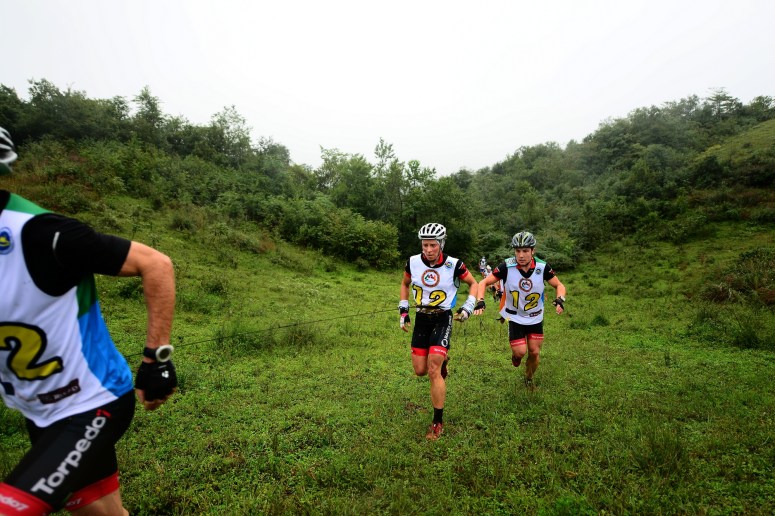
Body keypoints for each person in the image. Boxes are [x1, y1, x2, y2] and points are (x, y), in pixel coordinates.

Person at [0, 127, 177, 516]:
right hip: (37, 409)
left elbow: (156, 264)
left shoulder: (42, 234)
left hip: (92, 403)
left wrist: (157, 359)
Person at [399, 223, 482, 440]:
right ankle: (443, 358)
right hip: (422, 318)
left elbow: (473, 283)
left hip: (443, 317)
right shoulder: (413, 262)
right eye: (425, 245)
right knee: (420, 370)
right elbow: (405, 284)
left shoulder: (455, 265)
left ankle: (437, 421)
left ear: (441, 244)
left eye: (432, 245)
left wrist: (468, 307)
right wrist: (403, 309)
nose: (428, 250)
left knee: (433, 370)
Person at [474, 231, 566, 390]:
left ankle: (529, 378)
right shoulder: (506, 266)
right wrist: (480, 301)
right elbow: (483, 283)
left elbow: (559, 285)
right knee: (520, 352)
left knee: (535, 352)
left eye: (525, 251)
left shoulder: (543, 267)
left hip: (535, 317)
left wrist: (560, 299)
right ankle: (516, 356)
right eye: (518, 251)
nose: (521, 255)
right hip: (514, 317)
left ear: (533, 251)